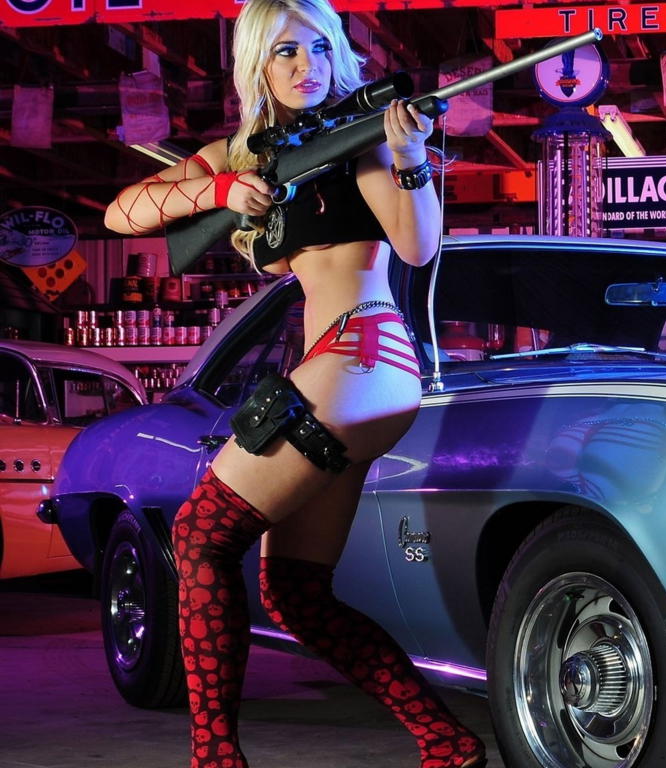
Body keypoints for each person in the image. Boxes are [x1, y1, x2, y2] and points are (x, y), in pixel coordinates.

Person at [103, 1, 484, 766]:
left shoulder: (361, 134)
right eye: (285, 51)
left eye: (320, 47)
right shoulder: (242, 155)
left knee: (198, 537)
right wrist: (220, 192)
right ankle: (447, 744)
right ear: (256, 63)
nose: (307, 65)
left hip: (363, 354)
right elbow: (119, 215)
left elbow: (418, 246)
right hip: (347, 368)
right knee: (297, 595)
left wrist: (407, 155)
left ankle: (216, 758)